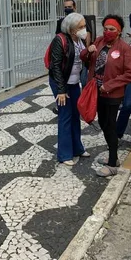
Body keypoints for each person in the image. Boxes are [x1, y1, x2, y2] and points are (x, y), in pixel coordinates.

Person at [82, 15, 131, 177]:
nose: (107, 32)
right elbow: (85, 60)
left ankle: (113, 163)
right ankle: (113, 157)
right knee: (105, 125)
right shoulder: (98, 42)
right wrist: (87, 51)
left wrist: (109, 85)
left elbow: (130, 74)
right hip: (96, 91)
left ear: (119, 31)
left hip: (112, 94)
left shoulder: (124, 48)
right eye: (105, 29)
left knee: (110, 126)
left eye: (111, 29)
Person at [47, 12, 90, 165]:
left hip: (74, 83)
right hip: (62, 83)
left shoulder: (80, 40)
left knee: (75, 115)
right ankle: (64, 154)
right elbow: (55, 66)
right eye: (81, 27)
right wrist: (61, 90)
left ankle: (77, 148)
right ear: (71, 29)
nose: (84, 29)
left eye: (84, 26)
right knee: (65, 115)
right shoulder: (60, 40)